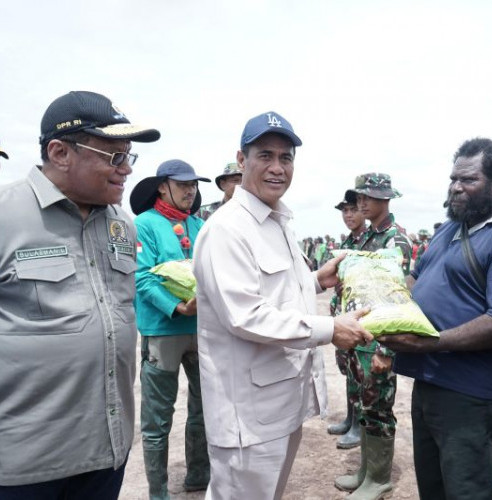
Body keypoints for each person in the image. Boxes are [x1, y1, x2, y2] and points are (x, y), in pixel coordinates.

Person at [192, 111, 373, 500]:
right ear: (242, 161)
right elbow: (246, 315)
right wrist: (331, 330)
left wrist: (315, 280)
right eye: (265, 156)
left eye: (286, 158)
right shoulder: (227, 229)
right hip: (248, 416)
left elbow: (273, 294)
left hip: (277, 406)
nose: (277, 168)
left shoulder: (276, 222)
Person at [0, 90, 159, 497]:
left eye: (129, 157)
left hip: (107, 453)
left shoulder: (123, 224)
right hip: (24, 464)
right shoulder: (5, 215)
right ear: (59, 152)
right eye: (114, 157)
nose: (126, 170)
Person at [378, 138, 492, 500]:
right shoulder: (451, 228)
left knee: (469, 490)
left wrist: (431, 341)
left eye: (468, 180)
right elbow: (417, 277)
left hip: (473, 393)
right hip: (430, 380)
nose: (455, 187)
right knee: (434, 488)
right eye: (453, 179)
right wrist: (388, 307)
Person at [130, 159, 211, 499]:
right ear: (162, 186)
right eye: (182, 185)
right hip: (163, 330)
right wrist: (176, 307)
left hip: (202, 330)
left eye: (193, 185)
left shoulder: (199, 225)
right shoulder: (144, 224)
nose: (190, 191)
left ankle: (198, 477)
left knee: (204, 408)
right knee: (157, 418)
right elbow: (142, 276)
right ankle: (158, 492)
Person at [334, 172, 412, 500]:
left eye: (367, 197)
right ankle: (366, 471)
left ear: (385, 198)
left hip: (379, 341)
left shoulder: (396, 240)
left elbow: (398, 301)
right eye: (359, 197)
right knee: (365, 405)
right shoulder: (367, 238)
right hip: (360, 337)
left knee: (379, 407)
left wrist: (386, 350)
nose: (361, 202)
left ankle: (379, 478)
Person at [328, 191, 368, 449]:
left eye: (353, 209)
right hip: (344, 314)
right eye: (345, 211)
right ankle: (350, 418)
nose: (349, 215)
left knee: (362, 374)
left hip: (362, 318)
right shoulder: (349, 243)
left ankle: (358, 425)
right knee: (349, 371)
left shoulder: (370, 242)